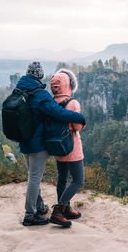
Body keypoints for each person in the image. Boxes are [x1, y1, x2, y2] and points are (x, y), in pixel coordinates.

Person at [16, 62, 86, 226]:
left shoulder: (20, 91)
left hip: (24, 140)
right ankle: (33, 214)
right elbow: (59, 113)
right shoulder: (41, 95)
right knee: (37, 179)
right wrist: (80, 118)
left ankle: (41, 208)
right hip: (41, 144)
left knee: (51, 178)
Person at [49, 69, 85, 227]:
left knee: (62, 178)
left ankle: (66, 209)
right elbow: (77, 126)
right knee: (78, 180)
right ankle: (59, 210)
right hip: (72, 147)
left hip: (57, 146)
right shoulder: (73, 103)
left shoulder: (50, 103)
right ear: (69, 85)